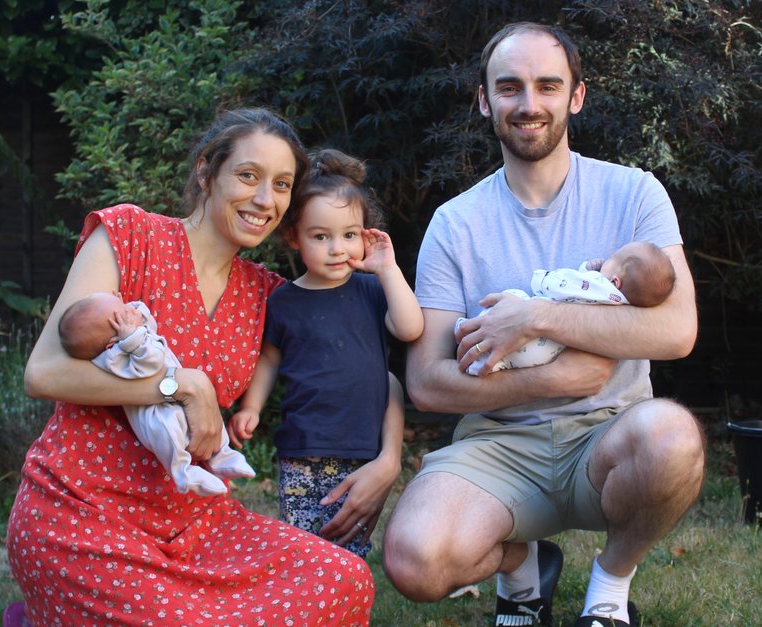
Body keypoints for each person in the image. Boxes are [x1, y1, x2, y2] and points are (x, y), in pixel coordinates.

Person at [382, 23, 704, 627]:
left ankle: (609, 592)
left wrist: (535, 316)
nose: (529, 104)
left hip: (608, 434)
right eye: (510, 87)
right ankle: (522, 567)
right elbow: (426, 382)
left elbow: (678, 330)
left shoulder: (635, 194)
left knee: (673, 437)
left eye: (547, 86)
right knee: (414, 563)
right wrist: (551, 381)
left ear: (575, 96)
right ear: (485, 99)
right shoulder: (455, 224)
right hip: (496, 445)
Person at [5, 109, 373, 626]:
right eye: (248, 176)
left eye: (282, 184)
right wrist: (177, 386)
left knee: (344, 578)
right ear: (206, 172)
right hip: (82, 509)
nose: (265, 199)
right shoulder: (129, 235)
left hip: (195, 522)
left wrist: (387, 460)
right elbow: (42, 373)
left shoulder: (269, 295)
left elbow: (366, 364)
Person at [229, 149, 423, 558]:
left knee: (348, 545)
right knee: (301, 548)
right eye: (321, 236)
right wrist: (252, 407)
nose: (337, 248)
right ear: (293, 237)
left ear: (365, 235)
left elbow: (410, 328)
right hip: (302, 447)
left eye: (349, 235)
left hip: (360, 448)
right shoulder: (284, 301)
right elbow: (269, 358)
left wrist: (388, 269)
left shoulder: (372, 291)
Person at [58, 291, 256, 496]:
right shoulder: (114, 358)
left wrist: (130, 314)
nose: (130, 311)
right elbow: (152, 362)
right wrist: (133, 339)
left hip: (174, 399)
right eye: (121, 315)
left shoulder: (131, 334)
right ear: (111, 343)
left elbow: (148, 321)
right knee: (170, 434)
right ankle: (183, 472)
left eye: (123, 303)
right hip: (154, 414)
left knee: (211, 419)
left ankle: (222, 456)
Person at [459, 241, 676, 375]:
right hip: (548, 352)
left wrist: (542, 279)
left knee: (515, 298)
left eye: (612, 258)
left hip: (537, 335)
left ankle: (468, 328)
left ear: (615, 281)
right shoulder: (620, 304)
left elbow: (565, 284)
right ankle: (487, 366)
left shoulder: (600, 284)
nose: (605, 260)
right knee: (510, 359)